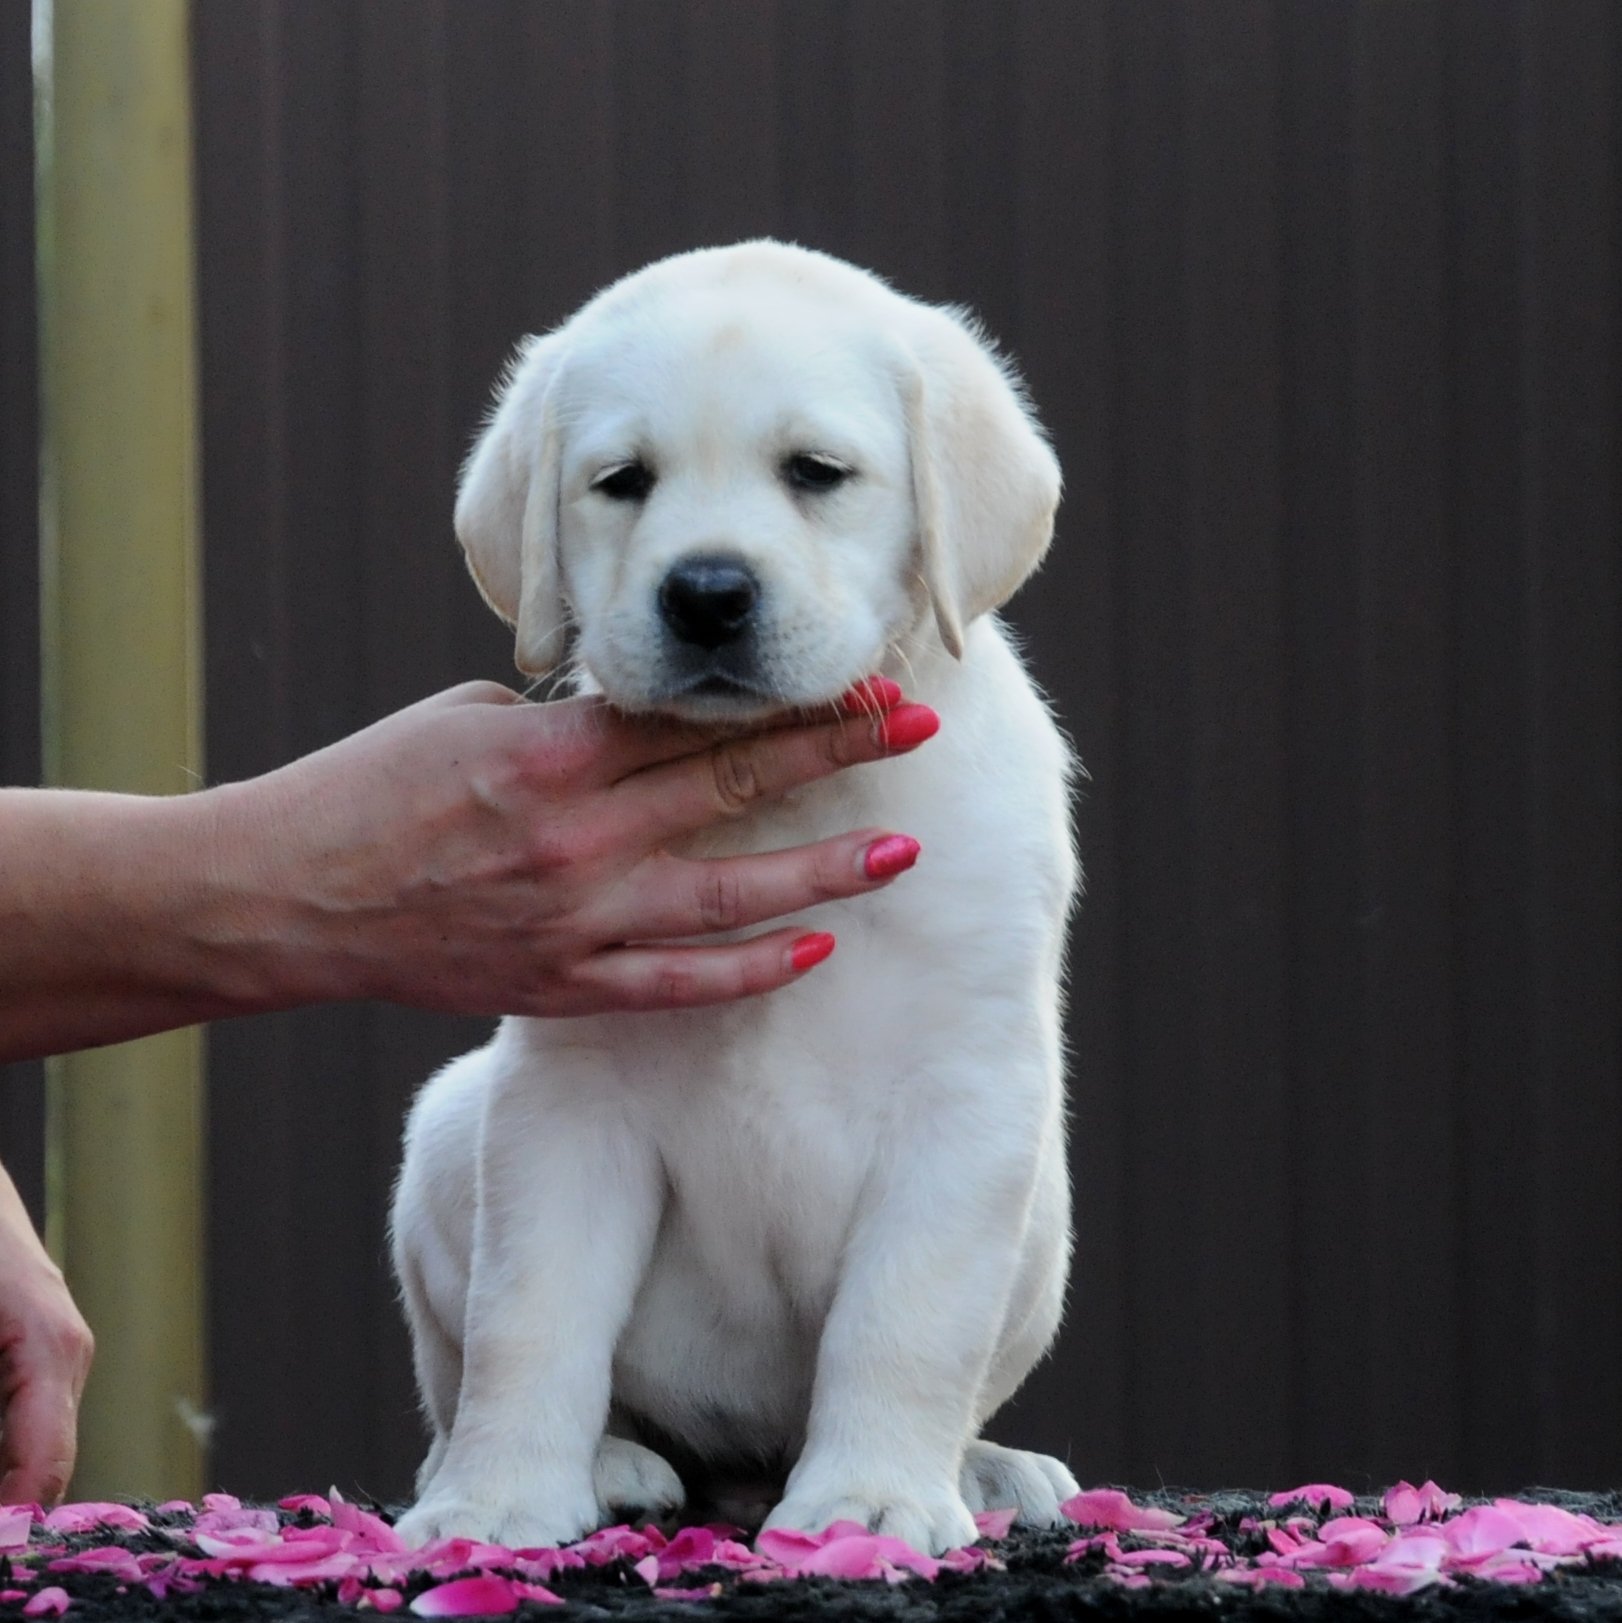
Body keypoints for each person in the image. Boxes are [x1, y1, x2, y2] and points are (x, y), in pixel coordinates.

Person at [0, 676, 937, 1506]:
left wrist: (906, 1434)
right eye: (622, 480)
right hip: (634, 1374)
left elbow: (975, 1113)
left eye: (816, 468)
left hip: (866, 1384)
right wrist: (306, 872)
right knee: (480, 1111)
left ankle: (899, 1450)